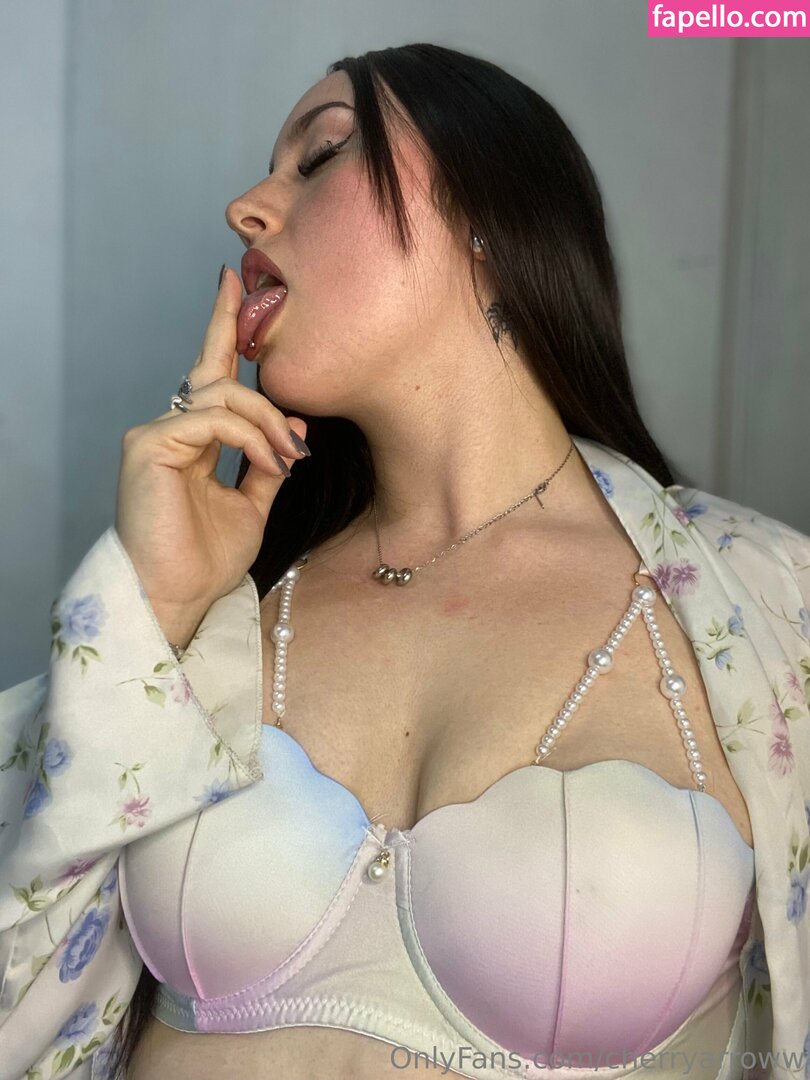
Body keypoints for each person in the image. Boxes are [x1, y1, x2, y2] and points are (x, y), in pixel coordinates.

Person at [1, 42, 808, 1080]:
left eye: (321, 155)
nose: (246, 209)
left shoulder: (763, 609)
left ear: (487, 209)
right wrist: (150, 612)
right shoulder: (217, 615)